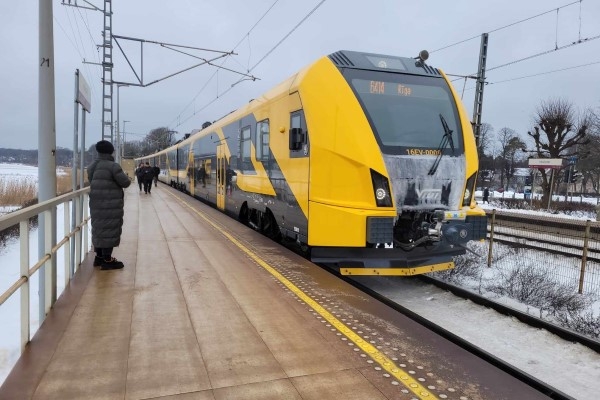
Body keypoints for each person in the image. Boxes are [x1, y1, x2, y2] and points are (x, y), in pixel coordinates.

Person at [88, 140, 131, 270]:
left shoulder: (92, 166)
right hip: (111, 204)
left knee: (99, 229)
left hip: (96, 203)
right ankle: (108, 260)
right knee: (110, 230)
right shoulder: (113, 166)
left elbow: (92, 181)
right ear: (111, 151)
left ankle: (99, 257)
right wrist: (127, 177)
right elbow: (125, 183)